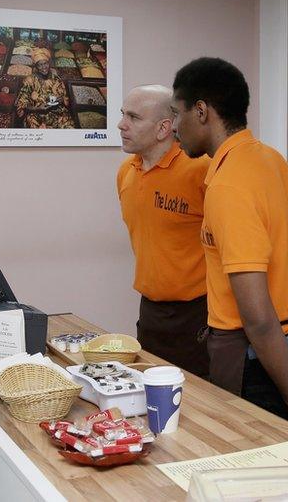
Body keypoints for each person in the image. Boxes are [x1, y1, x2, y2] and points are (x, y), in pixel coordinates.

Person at [170, 57, 288, 433]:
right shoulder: (276, 163)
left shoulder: (229, 186)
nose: (174, 127)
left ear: (202, 111)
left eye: (176, 114)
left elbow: (257, 316)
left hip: (256, 362)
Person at [116, 85, 210, 378]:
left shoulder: (201, 169)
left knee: (201, 405)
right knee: (150, 396)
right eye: (123, 115)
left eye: (133, 117)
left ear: (164, 128)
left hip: (200, 313)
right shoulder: (125, 173)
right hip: (151, 313)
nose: (121, 124)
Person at [15, 47, 74, 129]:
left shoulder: (56, 78)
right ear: (36, 67)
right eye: (40, 65)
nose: (44, 67)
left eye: (45, 63)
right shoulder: (30, 80)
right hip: (36, 114)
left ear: (49, 63)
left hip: (56, 112)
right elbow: (22, 104)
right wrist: (37, 109)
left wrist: (61, 100)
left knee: (69, 127)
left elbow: (64, 97)